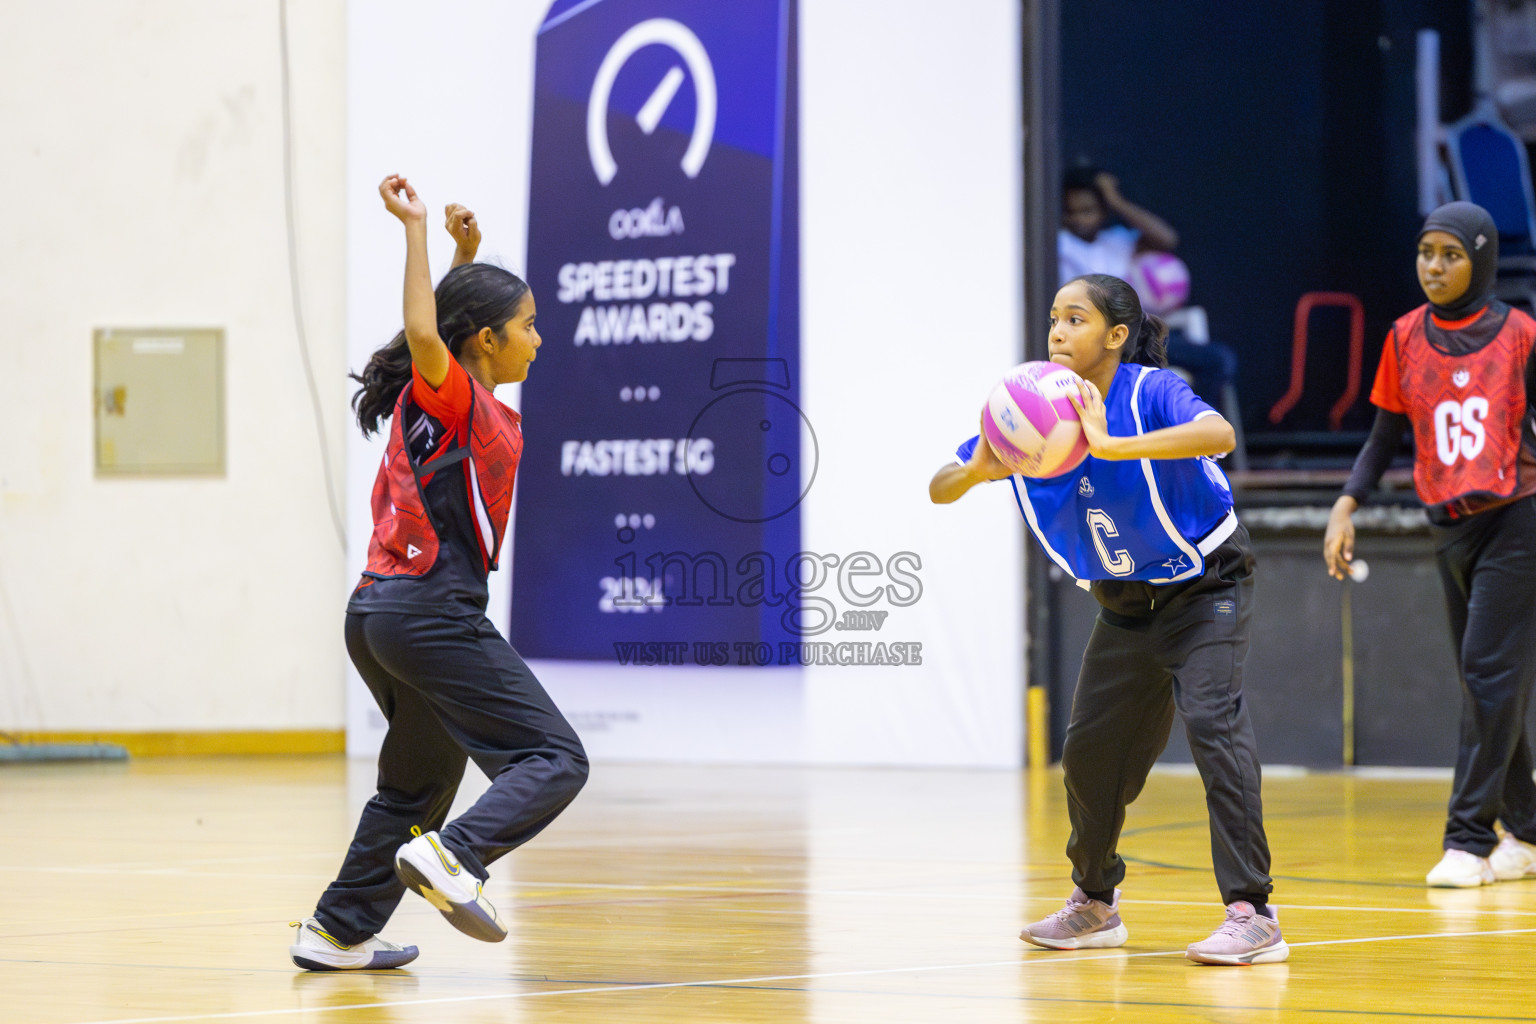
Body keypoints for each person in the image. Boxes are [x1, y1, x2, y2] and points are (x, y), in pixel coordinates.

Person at [930, 274, 1288, 966]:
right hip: (1125, 604)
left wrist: (1112, 444)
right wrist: (976, 467)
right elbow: (939, 488)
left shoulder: (1150, 391)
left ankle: (1254, 912)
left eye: (1076, 319)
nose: (1058, 332)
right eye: (1054, 320)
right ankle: (1095, 903)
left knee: (1214, 725)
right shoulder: (1026, 408)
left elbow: (1219, 431)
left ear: (1116, 336)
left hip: (1205, 586)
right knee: (1090, 756)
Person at [288, 175, 589, 971]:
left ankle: (337, 931)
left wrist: (464, 255)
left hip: (375, 615)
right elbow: (428, 327)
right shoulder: (451, 396)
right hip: (428, 614)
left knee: (418, 780)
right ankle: (455, 857)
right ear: (485, 340)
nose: (538, 338)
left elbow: (441, 325)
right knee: (554, 758)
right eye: (528, 326)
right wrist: (417, 230)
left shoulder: (447, 395)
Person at [1325, 200, 1536, 889]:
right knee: (1487, 684)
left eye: (1451, 255)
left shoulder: (1522, 334)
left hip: (1518, 517)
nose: (1435, 268)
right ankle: (1529, 833)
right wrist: (1346, 503)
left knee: (1488, 674)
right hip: (1450, 524)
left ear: (1480, 258)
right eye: (1426, 254)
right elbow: (1385, 436)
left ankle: (1468, 839)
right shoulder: (1404, 336)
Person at [1059, 167, 1238, 411]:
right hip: (1094, 344)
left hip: (1138, 337)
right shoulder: (1059, 244)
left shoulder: (1117, 242)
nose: (1078, 219)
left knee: (1219, 360)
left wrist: (1115, 200)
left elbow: (1167, 239)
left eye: (1087, 211)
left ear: (1103, 212)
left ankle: (1194, 439)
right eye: (1071, 212)